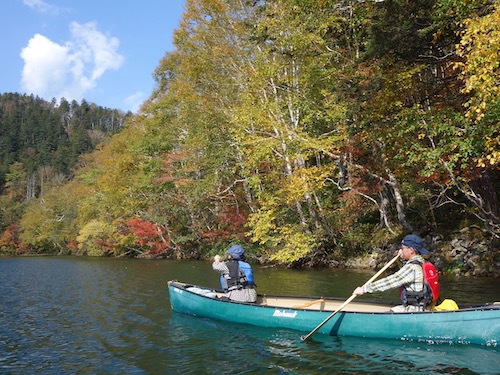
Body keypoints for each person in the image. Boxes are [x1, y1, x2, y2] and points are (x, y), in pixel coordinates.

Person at [353, 234, 431, 312]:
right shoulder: (422, 263)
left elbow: (391, 281)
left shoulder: (412, 268)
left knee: (386, 315)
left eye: (402, 248)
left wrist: (365, 289)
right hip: (422, 307)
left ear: (411, 250)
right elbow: (404, 272)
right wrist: (401, 258)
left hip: (413, 310)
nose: (400, 251)